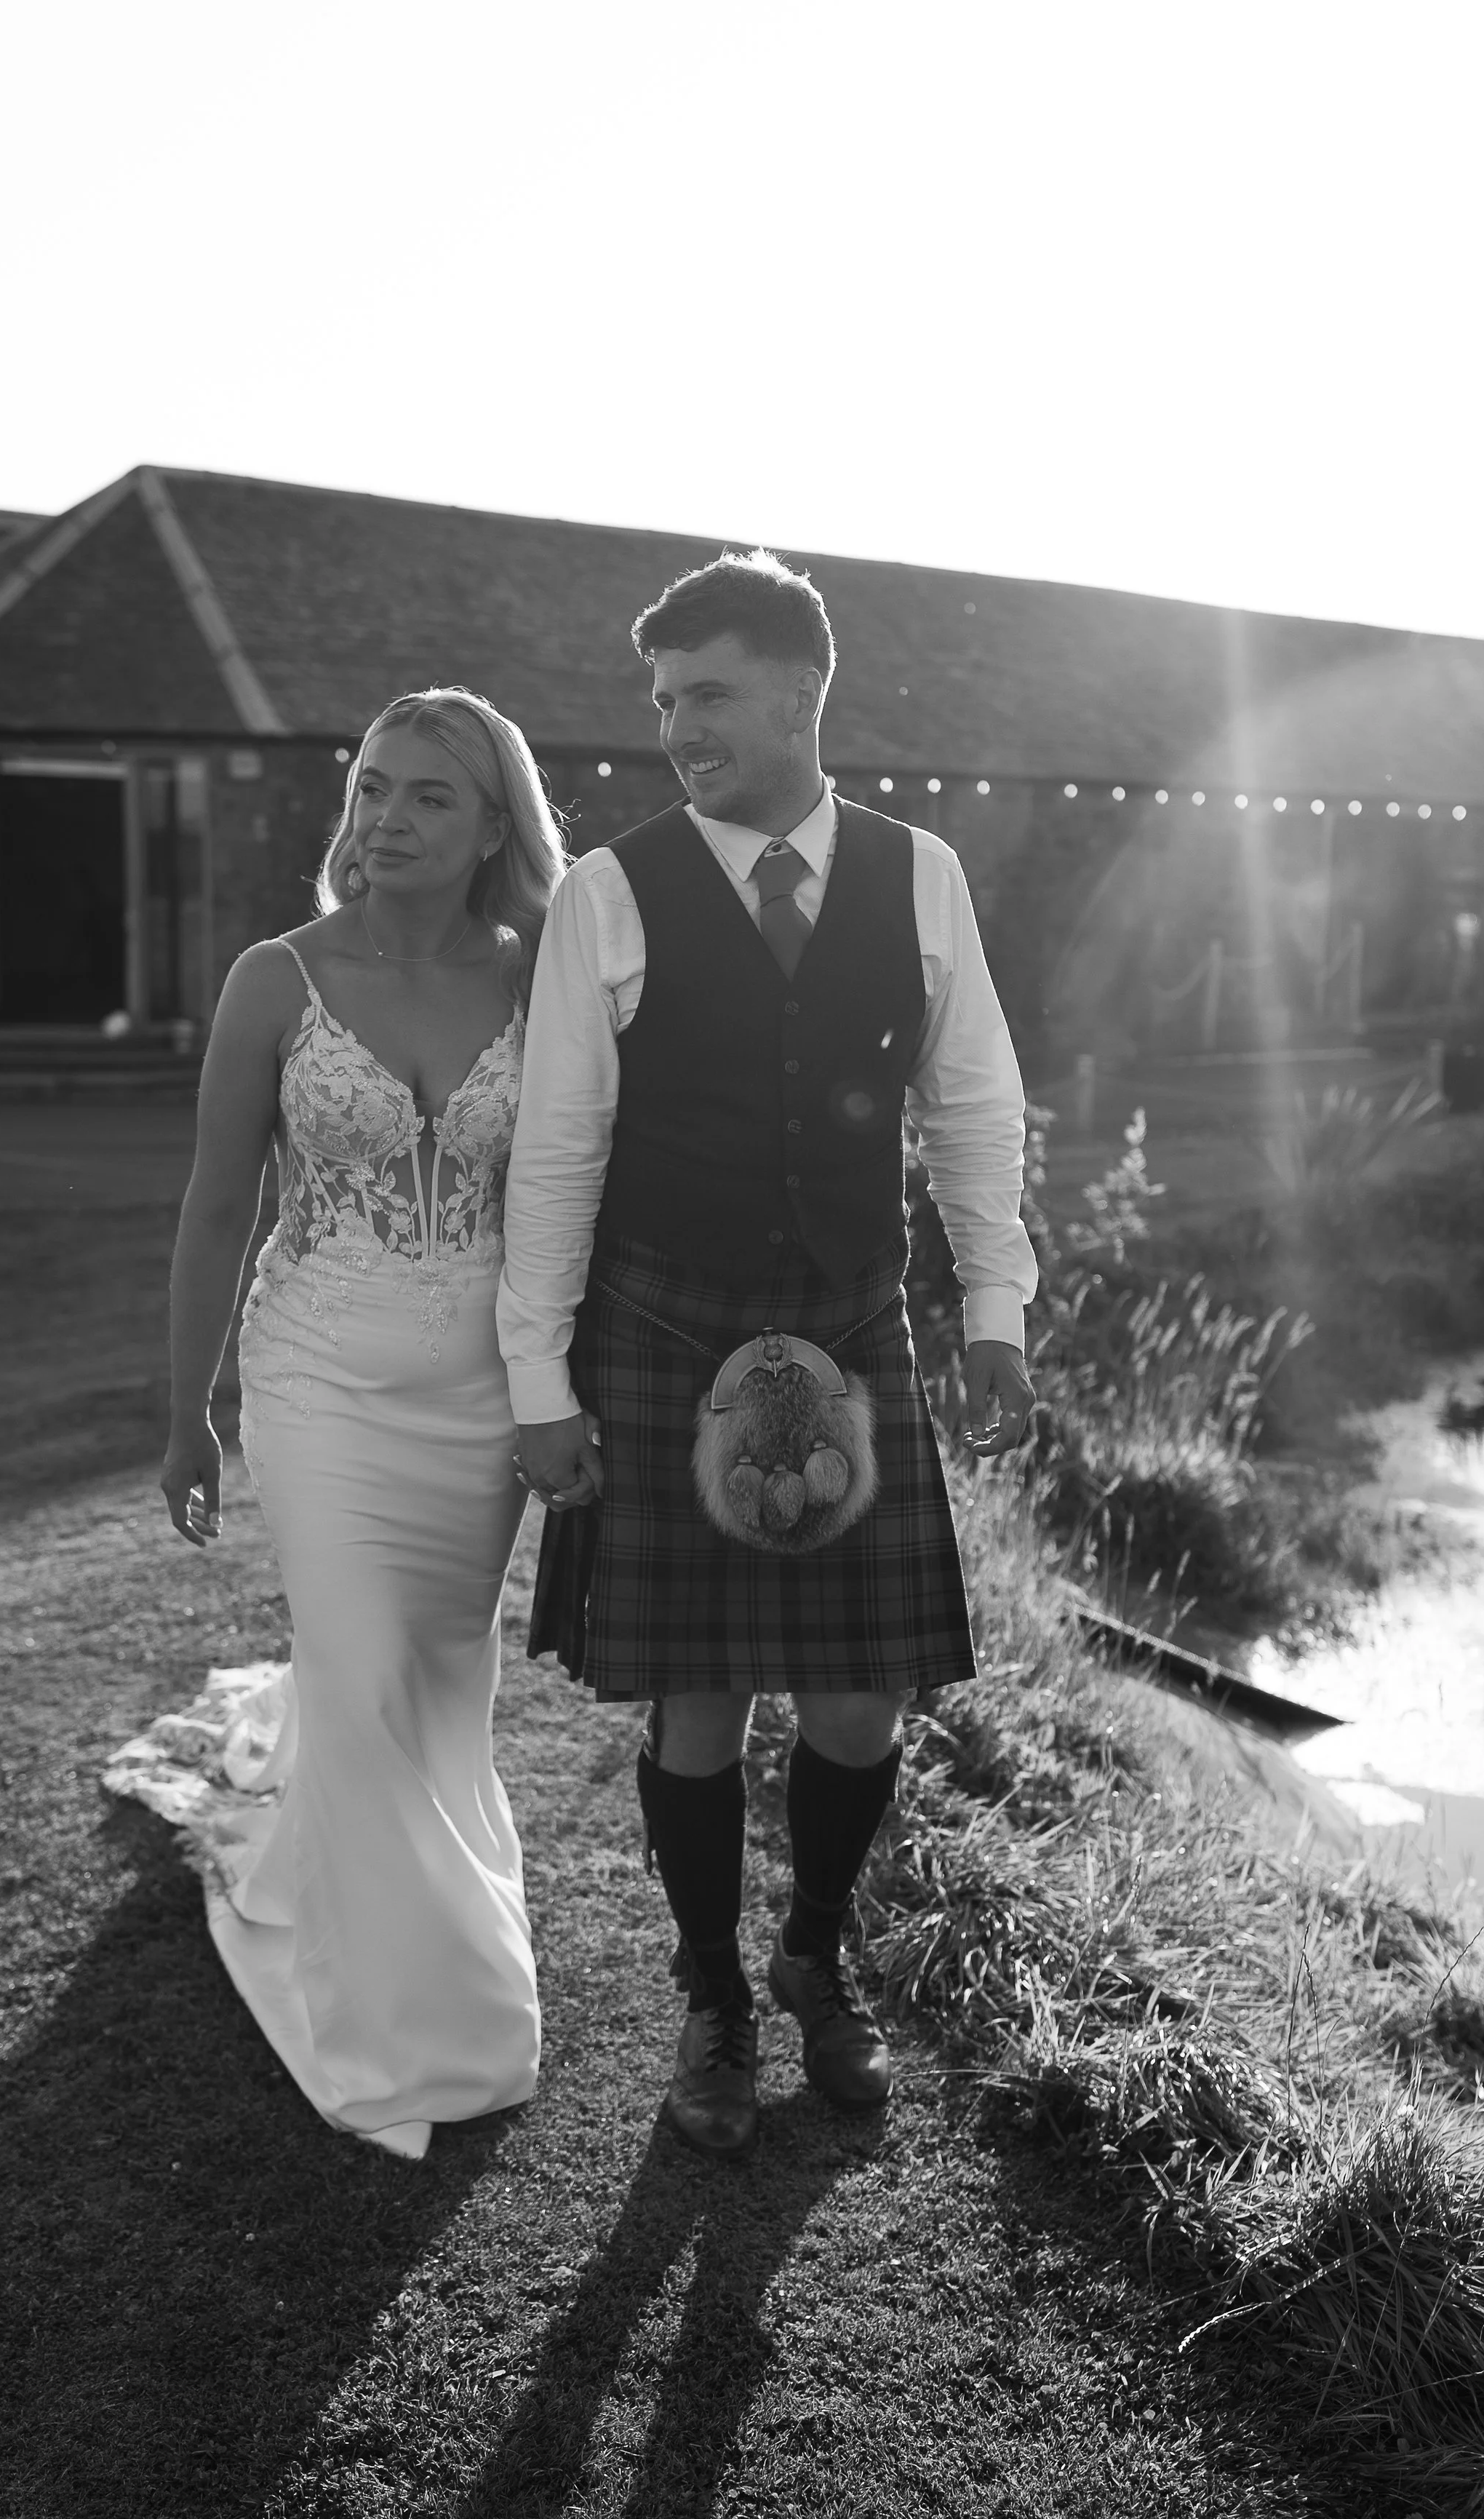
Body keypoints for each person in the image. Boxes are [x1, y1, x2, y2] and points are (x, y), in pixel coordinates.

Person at [498, 552, 1037, 2158]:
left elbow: (975, 1105)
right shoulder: (610, 888)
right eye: (664, 701)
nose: (678, 729)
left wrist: (993, 1316)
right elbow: (554, 1150)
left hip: (857, 1323)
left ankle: (815, 1950)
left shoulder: (915, 870)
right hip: (663, 1324)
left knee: (860, 1704)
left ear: (802, 695)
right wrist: (542, 1383)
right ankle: (713, 1999)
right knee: (695, 1706)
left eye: (709, 696)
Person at [156, 688, 574, 2160]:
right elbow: (220, 1203)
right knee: (359, 1667)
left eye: (427, 799)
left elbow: (566, 1199)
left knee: (441, 1682)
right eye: (372, 789)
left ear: (489, 831)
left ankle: (426, 1951)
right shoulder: (276, 978)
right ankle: (413, 2020)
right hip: (314, 1380)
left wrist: (555, 1395)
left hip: (477, 1402)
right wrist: (186, 1409)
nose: (385, 820)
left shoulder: (545, 980)